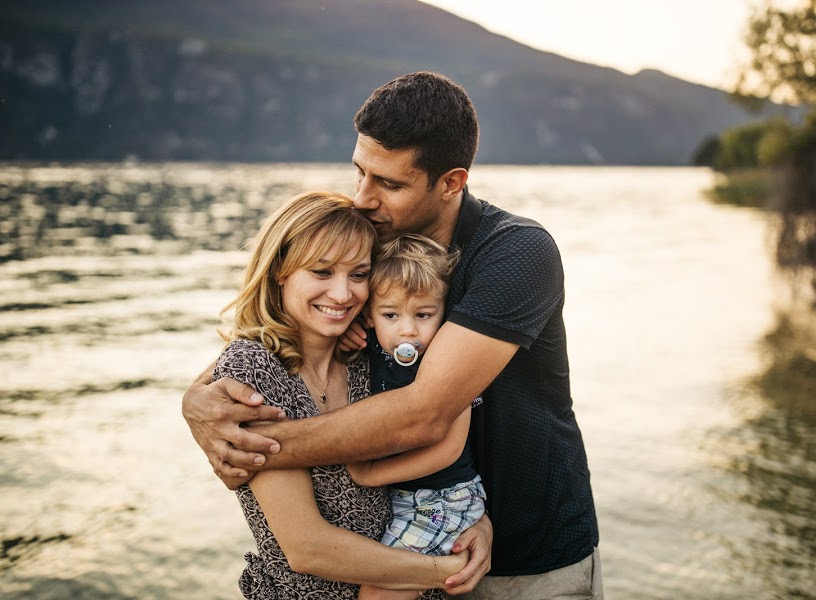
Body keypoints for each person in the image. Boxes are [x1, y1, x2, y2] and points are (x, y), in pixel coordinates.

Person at [183, 71, 603, 599]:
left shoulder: (516, 254)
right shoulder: (373, 251)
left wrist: (247, 445)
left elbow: (423, 415)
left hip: (526, 561)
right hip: (407, 553)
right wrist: (197, 401)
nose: (362, 198)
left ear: (451, 182)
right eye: (360, 172)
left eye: (390, 184)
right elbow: (272, 338)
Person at [212, 190, 469, 598]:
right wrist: (446, 570)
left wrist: (471, 521)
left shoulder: (368, 360)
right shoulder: (252, 371)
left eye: (359, 274)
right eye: (322, 272)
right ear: (280, 271)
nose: (342, 294)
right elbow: (307, 549)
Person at [346, 234, 486, 600]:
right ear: (369, 315)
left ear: (444, 312)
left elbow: (449, 449)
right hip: (407, 498)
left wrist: (373, 475)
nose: (407, 330)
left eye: (424, 315)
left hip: (442, 500)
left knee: (377, 592)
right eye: (391, 315)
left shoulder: (447, 361)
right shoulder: (374, 345)